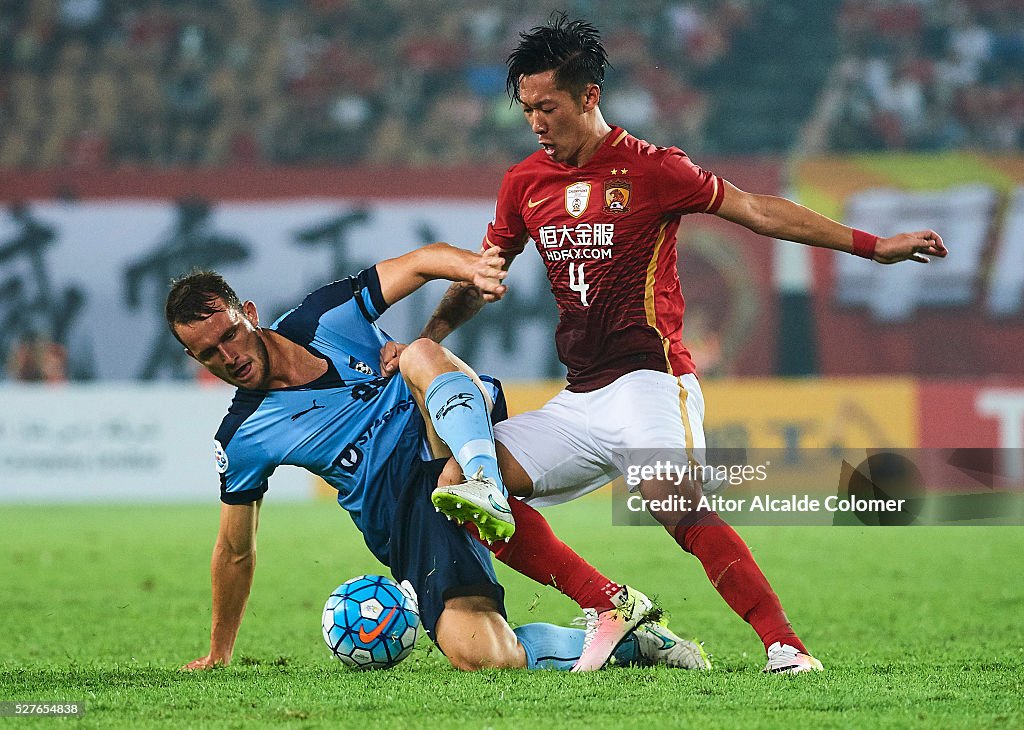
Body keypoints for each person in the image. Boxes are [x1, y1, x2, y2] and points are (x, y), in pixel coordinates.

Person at [413, 14, 948, 674]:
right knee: (461, 482)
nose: (535, 123)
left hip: (650, 382)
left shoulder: (653, 169)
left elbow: (756, 210)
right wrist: (430, 334)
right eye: (526, 110)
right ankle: (611, 604)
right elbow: (481, 271)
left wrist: (874, 247)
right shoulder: (525, 182)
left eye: (547, 107)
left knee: (671, 501)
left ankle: (786, 645)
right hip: (579, 400)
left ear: (588, 95)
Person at [167, 242, 706, 673]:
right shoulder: (243, 435)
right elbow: (234, 550)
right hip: (403, 515)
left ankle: (481, 480)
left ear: (249, 314)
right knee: (482, 656)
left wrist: (474, 268)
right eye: (208, 354)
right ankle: (636, 643)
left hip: (446, 424)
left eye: (230, 335)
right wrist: (220, 650)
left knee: (419, 353)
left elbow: (423, 263)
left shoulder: (322, 317)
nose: (229, 357)